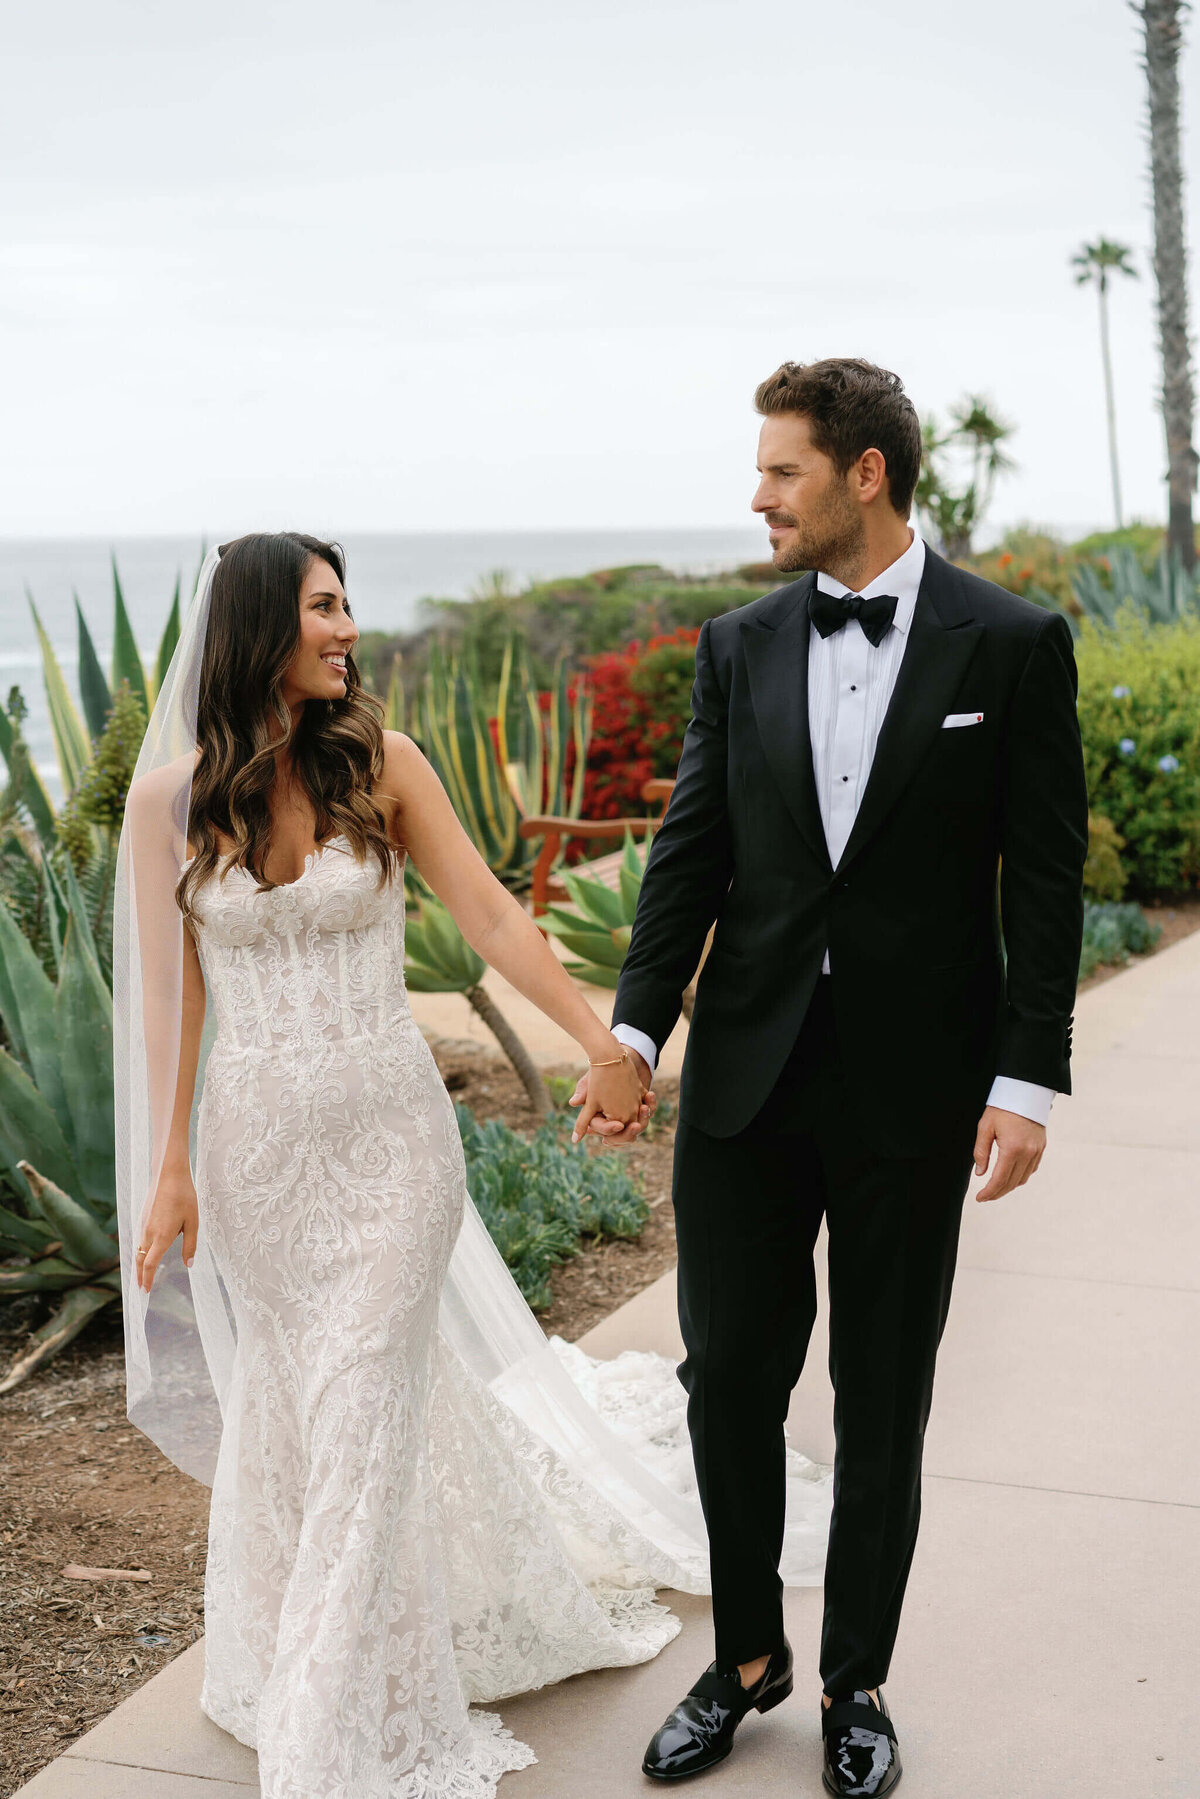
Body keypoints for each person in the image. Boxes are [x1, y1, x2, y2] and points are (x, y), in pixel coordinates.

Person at [113, 531, 765, 1799]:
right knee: (309, 1410)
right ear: (258, 624)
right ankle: (310, 1635)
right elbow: (169, 998)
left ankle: (321, 1722)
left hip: (394, 1150)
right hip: (258, 1159)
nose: (347, 627)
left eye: (349, 603)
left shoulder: (386, 762)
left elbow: (496, 916)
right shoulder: (170, 799)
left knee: (360, 1397)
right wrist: (173, 1170)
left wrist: (605, 1042)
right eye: (322, 606)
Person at [576, 358, 1088, 1796]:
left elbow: (1044, 882)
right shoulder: (738, 642)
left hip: (915, 1090)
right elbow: (690, 850)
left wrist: (1027, 1079)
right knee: (726, 1370)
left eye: (783, 470)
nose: (759, 496)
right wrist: (633, 1032)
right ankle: (745, 1657)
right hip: (745, 1074)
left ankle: (856, 1673)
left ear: (866, 472)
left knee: (882, 1387)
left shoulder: (1011, 640)